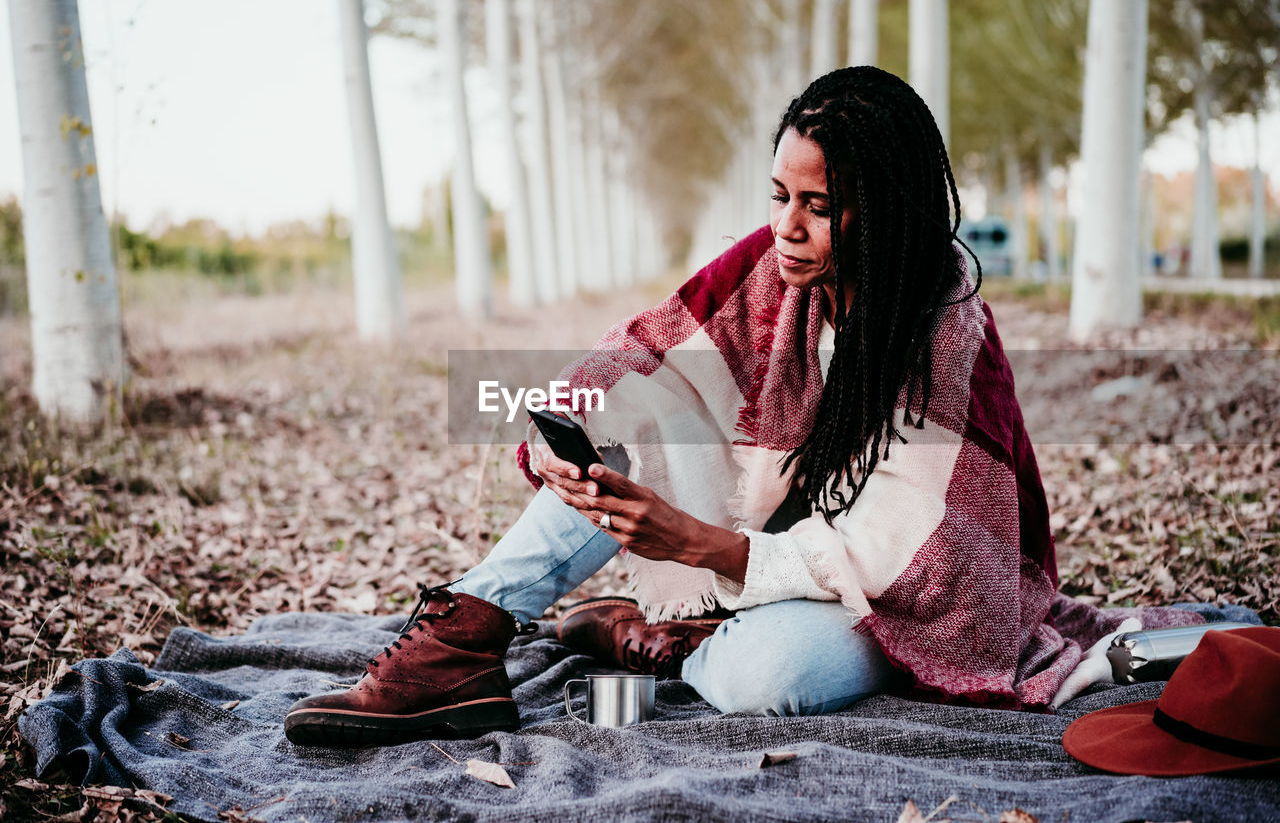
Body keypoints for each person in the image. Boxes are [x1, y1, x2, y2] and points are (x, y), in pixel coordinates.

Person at [283, 66, 1072, 748]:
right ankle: (467, 636)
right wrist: (569, 420)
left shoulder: (945, 329)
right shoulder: (777, 270)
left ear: (889, 209)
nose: (786, 227)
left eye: (819, 205)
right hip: (775, 537)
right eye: (778, 194)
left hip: (895, 596)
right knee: (618, 420)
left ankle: (652, 631)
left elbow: (911, 562)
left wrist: (695, 544)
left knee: (768, 673)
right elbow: (648, 346)